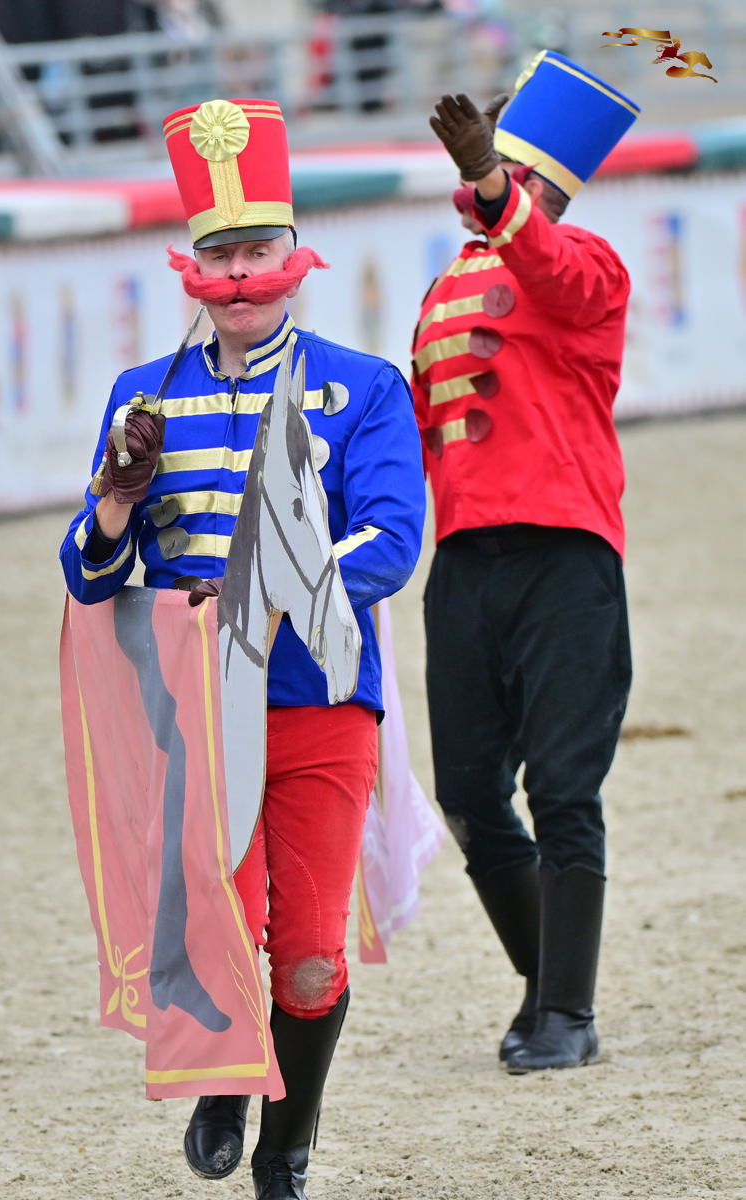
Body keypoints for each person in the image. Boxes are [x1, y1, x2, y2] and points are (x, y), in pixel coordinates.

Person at [60, 96, 425, 1198]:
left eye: (257, 249)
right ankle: (225, 1079)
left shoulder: (367, 387)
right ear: (191, 265)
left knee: (306, 952)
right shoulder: (140, 396)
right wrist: (116, 504)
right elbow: (87, 574)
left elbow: (391, 542)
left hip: (319, 700)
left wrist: (267, 588)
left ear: (294, 256)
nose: (238, 273)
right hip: (191, 713)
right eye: (218, 253)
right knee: (216, 922)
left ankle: (287, 1144)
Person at [411, 52, 638, 1072]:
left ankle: (567, 1014)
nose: (483, 176)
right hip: (465, 558)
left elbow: (546, 266)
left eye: (504, 164)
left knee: (562, 788)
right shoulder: (444, 286)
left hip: (563, 553)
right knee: (466, 794)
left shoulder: (589, 264)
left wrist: (491, 185)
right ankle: (549, 989)